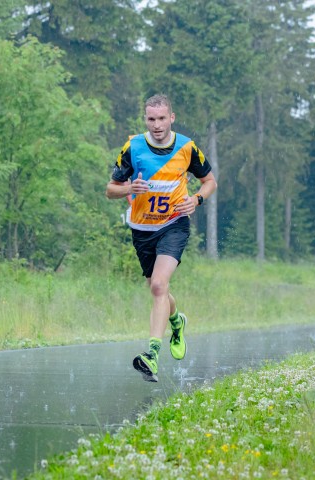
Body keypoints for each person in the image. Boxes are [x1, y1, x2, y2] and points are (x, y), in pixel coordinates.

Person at [105, 94, 217, 382]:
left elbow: (210, 181)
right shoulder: (134, 147)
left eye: (162, 118)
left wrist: (196, 200)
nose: (156, 125)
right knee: (158, 291)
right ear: (145, 119)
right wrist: (130, 187)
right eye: (151, 119)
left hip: (174, 224)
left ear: (172, 118)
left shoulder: (187, 147)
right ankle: (177, 322)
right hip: (142, 230)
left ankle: (152, 355)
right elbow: (111, 189)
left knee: (158, 285)